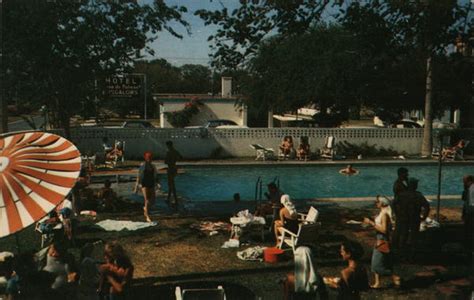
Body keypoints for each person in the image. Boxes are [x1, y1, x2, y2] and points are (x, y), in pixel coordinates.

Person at [363, 196, 401, 288]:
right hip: (379, 238)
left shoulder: (384, 215)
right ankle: (377, 283)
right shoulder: (382, 213)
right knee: (382, 261)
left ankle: (395, 276)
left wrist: (371, 223)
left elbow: (384, 230)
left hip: (382, 239)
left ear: (383, 203)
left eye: (377, 201)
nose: (376, 203)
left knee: (375, 264)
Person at [392, 178, 430, 256]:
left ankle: (402, 252)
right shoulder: (418, 195)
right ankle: (412, 253)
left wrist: (397, 213)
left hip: (404, 217)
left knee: (404, 234)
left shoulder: (402, 195)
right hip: (414, 218)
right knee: (414, 236)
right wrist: (424, 217)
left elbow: (393, 204)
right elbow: (426, 206)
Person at [134, 151, 157, 222]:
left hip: (151, 183)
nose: (149, 159)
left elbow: (155, 176)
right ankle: (147, 215)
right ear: (145, 158)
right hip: (144, 184)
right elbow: (139, 177)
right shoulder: (142, 166)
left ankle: (145, 209)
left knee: (153, 200)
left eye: (150, 158)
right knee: (147, 199)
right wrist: (136, 187)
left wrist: (157, 183)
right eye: (148, 158)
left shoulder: (153, 166)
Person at [164, 141, 182, 210]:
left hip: (170, 168)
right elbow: (180, 157)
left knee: (171, 184)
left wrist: (169, 160)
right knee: (170, 184)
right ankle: (168, 198)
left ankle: (175, 200)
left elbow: (165, 161)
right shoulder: (175, 151)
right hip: (174, 168)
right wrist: (174, 159)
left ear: (168, 145)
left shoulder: (169, 152)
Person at [462, 175, 474, 251]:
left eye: (464, 182)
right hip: (469, 214)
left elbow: (470, 205)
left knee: (469, 232)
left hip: (471, 215)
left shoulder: (471, 189)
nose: (464, 183)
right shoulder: (468, 190)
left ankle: (469, 248)